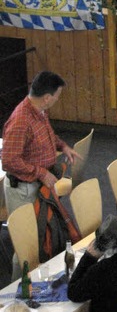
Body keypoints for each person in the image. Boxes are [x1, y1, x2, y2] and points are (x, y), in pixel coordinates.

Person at [2, 71, 79, 214]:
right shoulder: (20, 121)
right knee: (27, 235)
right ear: (47, 98)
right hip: (24, 191)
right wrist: (41, 173)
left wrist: (63, 146)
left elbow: (48, 135)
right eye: (57, 96)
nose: (57, 99)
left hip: (37, 185)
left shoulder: (39, 111)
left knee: (42, 233)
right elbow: (8, 160)